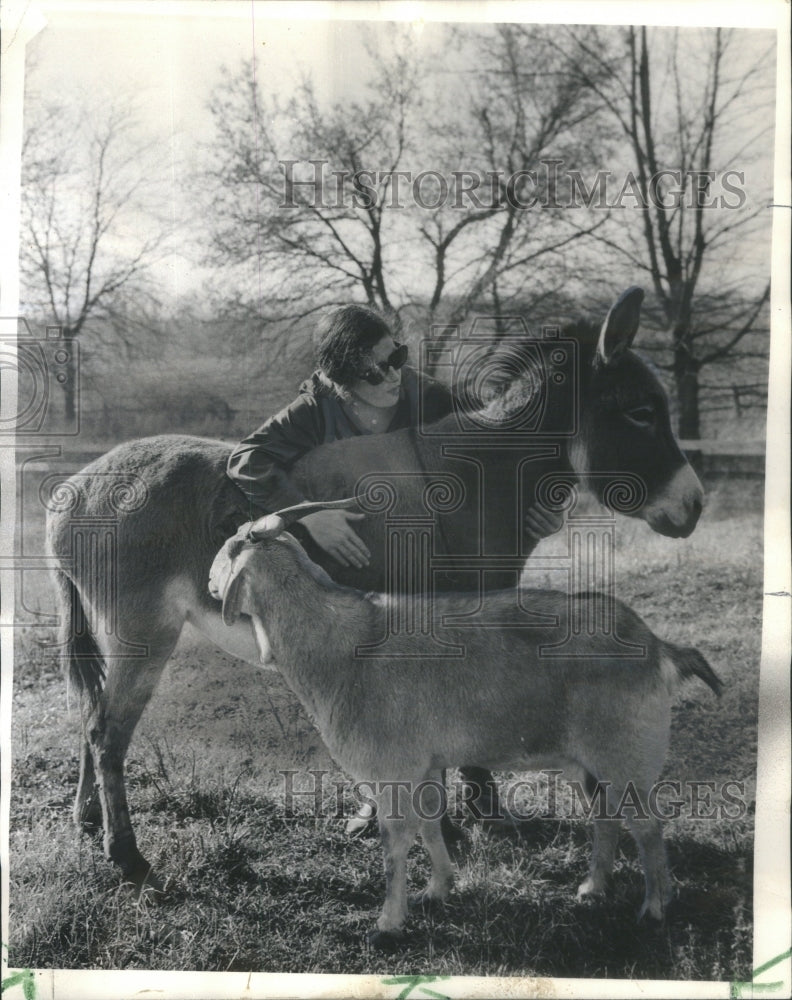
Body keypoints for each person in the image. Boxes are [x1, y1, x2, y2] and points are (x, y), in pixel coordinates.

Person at [227, 303, 560, 837]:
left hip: (441, 553)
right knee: (371, 678)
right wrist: (309, 517)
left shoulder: (429, 396)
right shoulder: (312, 410)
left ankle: (479, 787)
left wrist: (540, 512)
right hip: (365, 564)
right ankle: (382, 796)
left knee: (462, 654)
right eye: (370, 370)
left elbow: (501, 451)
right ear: (336, 378)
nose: (389, 376)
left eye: (395, 357)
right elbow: (247, 459)